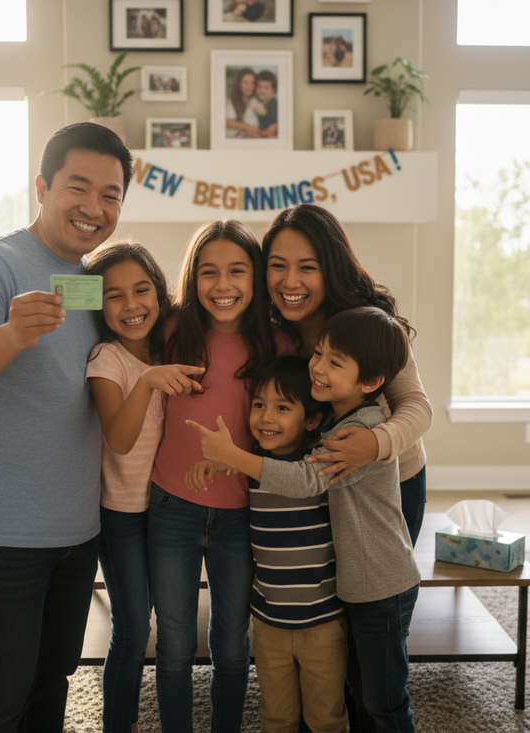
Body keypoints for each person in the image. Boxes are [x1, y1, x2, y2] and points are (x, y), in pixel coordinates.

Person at [0, 121, 132, 733]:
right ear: (42, 187)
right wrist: (11, 335)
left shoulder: (87, 281)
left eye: (111, 195)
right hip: (2, 532)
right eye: (79, 187)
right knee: (1, 695)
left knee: (52, 682)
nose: (94, 208)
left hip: (76, 528)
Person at [190, 307, 422, 733]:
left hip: (381, 584)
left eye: (335, 362)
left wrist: (233, 456)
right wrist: (232, 465)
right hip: (354, 586)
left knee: (384, 699)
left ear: (369, 383)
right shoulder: (336, 421)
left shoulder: (357, 432)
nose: (318, 366)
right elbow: (288, 459)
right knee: (354, 690)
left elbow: (305, 479)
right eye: (319, 353)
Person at [147, 219, 286, 732]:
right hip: (171, 509)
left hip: (243, 517)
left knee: (232, 646)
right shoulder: (169, 333)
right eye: (209, 273)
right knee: (175, 645)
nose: (222, 286)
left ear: (256, 279)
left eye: (236, 271)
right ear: (192, 276)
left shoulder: (277, 346)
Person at [83, 242, 206, 733]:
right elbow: (119, 437)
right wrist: (149, 381)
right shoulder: (105, 359)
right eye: (115, 296)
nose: (131, 305)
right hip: (120, 514)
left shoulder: (171, 347)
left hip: (168, 508)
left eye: (142, 290)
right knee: (133, 627)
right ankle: (121, 723)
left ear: (160, 293)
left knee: (171, 623)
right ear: (99, 305)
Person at [187, 355, 346, 732]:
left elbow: (293, 478)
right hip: (270, 623)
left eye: (282, 407)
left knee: (325, 718)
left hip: (321, 624)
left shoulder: (318, 461)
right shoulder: (253, 461)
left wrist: (232, 458)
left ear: (310, 419)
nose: (266, 417)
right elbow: (242, 466)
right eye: (259, 405)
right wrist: (212, 463)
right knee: (276, 716)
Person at [261, 203, 433, 547]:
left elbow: (417, 406)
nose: (289, 281)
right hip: (320, 480)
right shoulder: (272, 334)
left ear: (332, 270)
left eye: (307, 267)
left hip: (391, 479)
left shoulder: (369, 327)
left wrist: (374, 444)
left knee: (383, 593)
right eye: (277, 266)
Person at [226, 68, 261, 139]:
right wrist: (250, 128)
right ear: (239, 84)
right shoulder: (231, 101)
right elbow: (228, 122)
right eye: (246, 83)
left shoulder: (255, 101)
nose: (249, 86)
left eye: (252, 83)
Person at [253, 70, 279, 139]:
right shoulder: (256, 102)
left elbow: (268, 132)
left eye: (266, 88)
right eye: (259, 87)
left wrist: (250, 131)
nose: (262, 91)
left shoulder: (276, 105)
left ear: (273, 90)